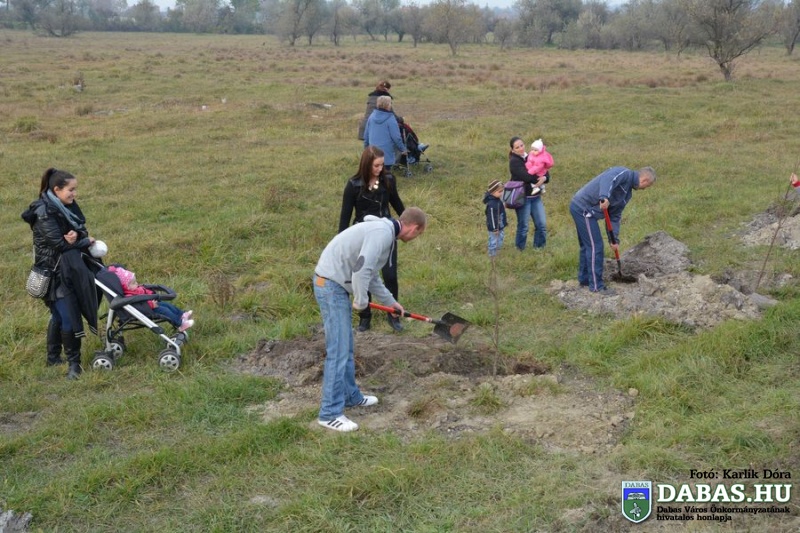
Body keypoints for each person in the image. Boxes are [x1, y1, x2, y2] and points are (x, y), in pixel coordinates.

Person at [314, 207, 427, 432]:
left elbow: (372, 275)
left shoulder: (385, 233)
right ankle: (329, 413)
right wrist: (361, 299)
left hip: (335, 284)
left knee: (346, 347)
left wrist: (391, 302)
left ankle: (350, 396)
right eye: (419, 234)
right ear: (415, 228)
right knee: (338, 350)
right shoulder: (382, 233)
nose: (416, 238)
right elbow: (361, 270)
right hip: (330, 285)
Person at [21, 168, 100, 379]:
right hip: (54, 274)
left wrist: (77, 235)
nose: (74, 194)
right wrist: (84, 241)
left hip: (67, 270)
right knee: (67, 317)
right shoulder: (44, 213)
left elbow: (81, 227)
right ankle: (74, 365)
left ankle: (53, 358)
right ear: (57, 189)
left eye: (75, 189)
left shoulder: (66, 206)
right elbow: (59, 245)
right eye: (71, 190)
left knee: (58, 315)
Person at [339, 146, 406, 332]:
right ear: (366, 164)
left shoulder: (388, 181)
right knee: (364, 275)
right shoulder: (353, 185)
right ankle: (365, 316)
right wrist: (341, 245)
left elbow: (398, 205)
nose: (380, 169)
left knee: (390, 276)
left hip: (386, 235)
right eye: (376, 165)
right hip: (363, 237)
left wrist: (409, 224)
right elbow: (345, 217)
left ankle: (393, 315)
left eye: (382, 165)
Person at [569, 166, 656, 293]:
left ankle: (585, 280)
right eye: (647, 186)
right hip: (583, 208)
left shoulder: (627, 194)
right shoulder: (623, 173)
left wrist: (613, 239)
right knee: (595, 247)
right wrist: (604, 197)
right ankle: (597, 286)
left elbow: (614, 216)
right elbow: (608, 178)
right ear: (645, 180)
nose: (644, 189)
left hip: (585, 210)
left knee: (588, 246)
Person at [108, 265, 194, 333]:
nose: (137, 283)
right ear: (126, 287)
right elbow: (137, 304)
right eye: (133, 283)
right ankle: (180, 324)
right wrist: (151, 304)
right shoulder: (129, 296)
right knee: (166, 311)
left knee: (168, 305)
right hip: (148, 309)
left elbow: (145, 292)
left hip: (152, 303)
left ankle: (181, 314)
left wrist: (152, 294)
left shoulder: (135, 289)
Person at [509, 136, 549, 250]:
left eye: (522, 145)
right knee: (524, 226)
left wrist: (545, 178)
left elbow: (545, 170)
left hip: (535, 196)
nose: (521, 148)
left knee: (541, 224)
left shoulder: (532, 155)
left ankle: (539, 248)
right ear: (513, 150)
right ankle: (520, 249)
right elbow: (526, 176)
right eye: (517, 147)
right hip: (522, 197)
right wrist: (540, 179)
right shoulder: (514, 161)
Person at [363, 95, 406, 173]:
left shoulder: (371, 116)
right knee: (385, 174)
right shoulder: (390, 118)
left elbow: (366, 135)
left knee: (375, 173)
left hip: (373, 152)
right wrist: (403, 149)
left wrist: (366, 148)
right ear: (387, 105)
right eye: (390, 103)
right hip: (386, 154)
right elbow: (396, 137)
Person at [484, 179, 507, 257]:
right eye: (499, 192)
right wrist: (494, 228)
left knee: (500, 239)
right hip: (494, 228)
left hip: (500, 225)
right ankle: (492, 255)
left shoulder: (497, 200)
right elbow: (492, 218)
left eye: (502, 191)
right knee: (494, 241)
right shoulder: (492, 204)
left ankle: (497, 252)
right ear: (493, 192)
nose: (501, 193)